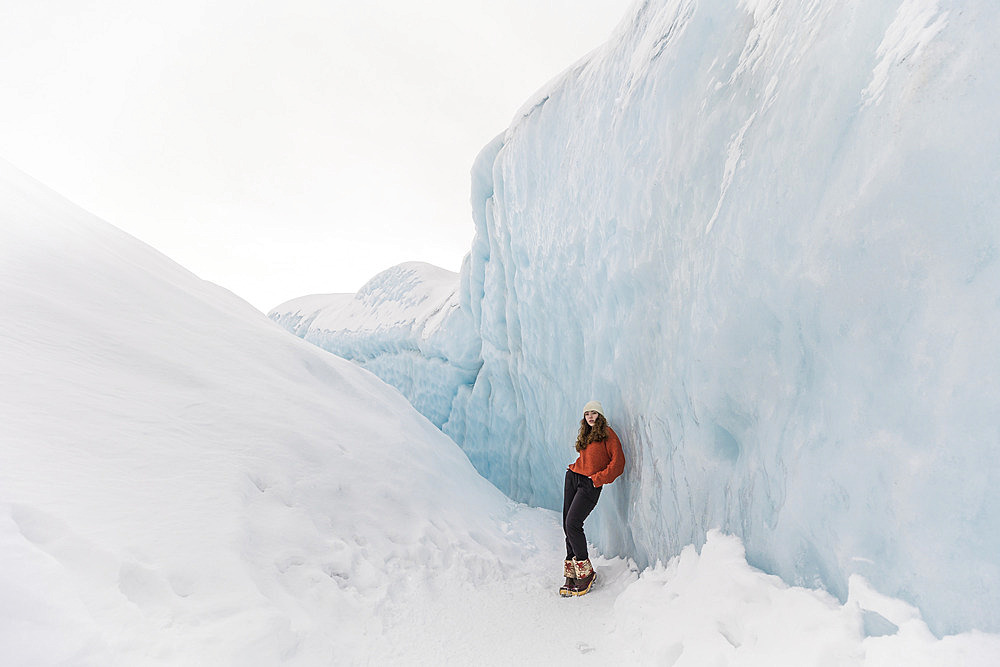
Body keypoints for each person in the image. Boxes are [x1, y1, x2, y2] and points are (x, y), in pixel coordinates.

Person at [560, 400, 625, 597]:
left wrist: (597, 479)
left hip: (589, 484)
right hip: (573, 477)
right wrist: (575, 470)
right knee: (566, 525)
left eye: (594, 413)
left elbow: (618, 463)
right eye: (587, 413)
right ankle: (572, 572)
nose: (590, 416)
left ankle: (586, 573)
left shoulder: (607, 433)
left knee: (573, 523)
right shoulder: (586, 434)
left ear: (600, 415)